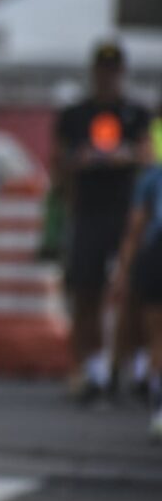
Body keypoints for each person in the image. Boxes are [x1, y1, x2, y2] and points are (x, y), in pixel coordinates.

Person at [53, 42, 151, 403]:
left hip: (128, 213)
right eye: (103, 70)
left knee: (138, 292)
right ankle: (90, 370)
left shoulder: (137, 113)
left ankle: (138, 367)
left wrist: (126, 156)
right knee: (86, 291)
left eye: (114, 70)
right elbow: (58, 161)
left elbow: (149, 155)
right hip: (89, 212)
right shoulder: (75, 114)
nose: (108, 77)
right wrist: (78, 162)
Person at [107, 152, 162, 440]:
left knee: (158, 338)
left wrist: (123, 271)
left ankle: (159, 411)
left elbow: (136, 228)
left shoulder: (152, 177)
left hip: (156, 253)